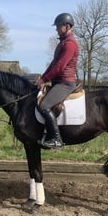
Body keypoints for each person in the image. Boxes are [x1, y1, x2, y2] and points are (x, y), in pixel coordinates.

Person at [36, 13, 79, 149]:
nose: (56, 29)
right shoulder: (63, 43)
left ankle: (56, 139)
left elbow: (60, 67)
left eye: (58, 27)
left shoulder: (70, 44)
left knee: (44, 106)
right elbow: (53, 64)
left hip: (65, 83)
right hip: (57, 82)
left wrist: (46, 79)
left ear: (67, 26)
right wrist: (42, 78)